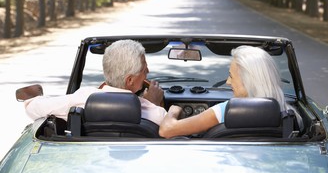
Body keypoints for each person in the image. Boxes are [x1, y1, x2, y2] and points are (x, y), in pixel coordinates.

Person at [159, 45, 302, 138]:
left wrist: (173, 109)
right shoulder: (291, 117)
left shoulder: (224, 111)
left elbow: (166, 130)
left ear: (248, 81)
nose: (228, 82)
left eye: (231, 76)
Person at [24, 39, 166, 125]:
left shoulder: (82, 98)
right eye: (144, 70)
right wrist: (153, 102)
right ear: (129, 80)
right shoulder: (153, 112)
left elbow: (31, 107)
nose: (148, 71)